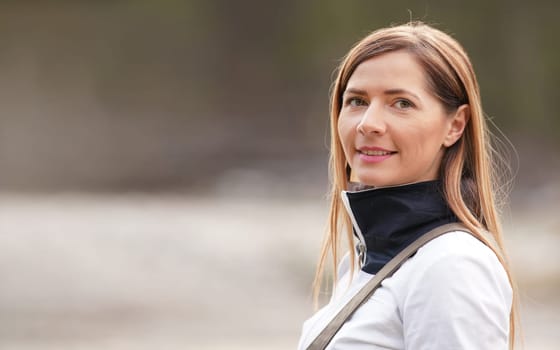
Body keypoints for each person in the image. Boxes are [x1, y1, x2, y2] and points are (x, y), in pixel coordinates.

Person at [297, 21, 516, 349]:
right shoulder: (364, 260)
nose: (369, 123)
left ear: (455, 126)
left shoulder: (451, 265)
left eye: (401, 103)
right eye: (357, 101)